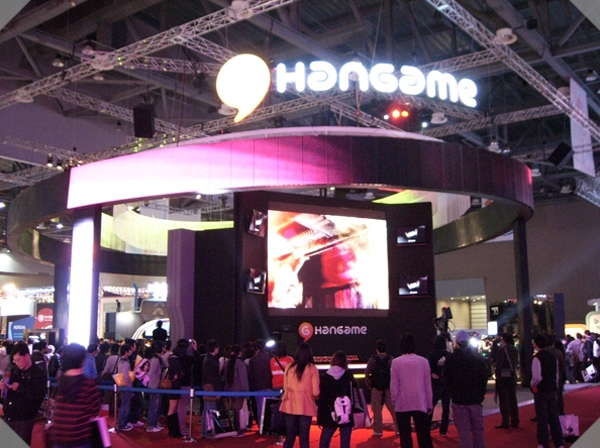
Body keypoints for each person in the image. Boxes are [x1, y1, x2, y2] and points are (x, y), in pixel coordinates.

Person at [47, 343, 101, 448]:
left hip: (59, 434)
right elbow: (95, 411)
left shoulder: (61, 380)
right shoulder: (88, 384)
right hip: (79, 436)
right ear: (82, 360)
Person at [444, 330, 488, 448]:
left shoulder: (451, 359)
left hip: (459, 400)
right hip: (475, 399)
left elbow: (447, 379)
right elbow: (484, 378)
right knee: (478, 431)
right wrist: (481, 395)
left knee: (464, 433)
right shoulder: (478, 358)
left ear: (456, 342)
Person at [0, 341, 47, 445]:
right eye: (15, 360)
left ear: (27, 356)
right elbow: (5, 394)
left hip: (24, 420)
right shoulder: (14, 371)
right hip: (9, 417)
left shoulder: (38, 374)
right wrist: (3, 387)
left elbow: (37, 395)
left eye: (19, 360)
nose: (17, 363)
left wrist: (19, 388)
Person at [390, 334, 433, 448]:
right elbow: (427, 386)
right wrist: (429, 404)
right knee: (424, 436)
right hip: (420, 402)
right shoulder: (423, 361)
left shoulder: (396, 362)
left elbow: (394, 385)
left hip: (402, 403)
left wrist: (394, 400)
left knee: (405, 437)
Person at [279, 342, 320, 448]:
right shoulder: (312, 368)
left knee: (289, 437)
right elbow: (316, 392)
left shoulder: (289, 367)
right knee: (304, 438)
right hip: (306, 405)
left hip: (289, 404)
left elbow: (285, 387)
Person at [531, 334, 564, 448]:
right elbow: (557, 375)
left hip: (541, 390)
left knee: (542, 418)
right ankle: (559, 442)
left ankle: (543, 442)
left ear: (536, 344)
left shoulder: (537, 358)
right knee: (554, 417)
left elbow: (537, 377)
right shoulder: (553, 357)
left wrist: (532, 384)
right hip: (552, 389)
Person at [317, 350, 355, 448]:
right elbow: (354, 393)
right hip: (346, 412)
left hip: (329, 413)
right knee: (345, 443)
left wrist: (320, 418)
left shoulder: (325, 377)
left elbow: (321, 399)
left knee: (324, 441)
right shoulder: (348, 376)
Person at [365, 339, 397, 436]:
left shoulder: (372, 359)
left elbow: (367, 372)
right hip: (388, 386)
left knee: (377, 409)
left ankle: (378, 430)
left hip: (376, 386)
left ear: (377, 349)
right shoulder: (391, 359)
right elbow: (394, 373)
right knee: (392, 408)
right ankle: (399, 428)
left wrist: (369, 385)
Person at [494, 332, 519, 429]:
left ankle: (505, 421)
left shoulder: (502, 350)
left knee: (504, 399)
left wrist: (497, 373)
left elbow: (499, 364)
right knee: (512, 398)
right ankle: (515, 420)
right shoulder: (514, 349)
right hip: (512, 375)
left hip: (503, 376)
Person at [427, 334, 451, 436]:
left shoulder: (431, 355)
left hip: (434, 384)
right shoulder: (449, 355)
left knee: (431, 406)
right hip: (446, 383)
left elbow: (427, 369)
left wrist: (433, 374)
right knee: (446, 408)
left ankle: (427, 427)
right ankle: (443, 430)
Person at [223, 344, 250, 436]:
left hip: (230, 391)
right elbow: (243, 380)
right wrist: (246, 393)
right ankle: (238, 430)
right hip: (239, 391)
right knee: (239, 411)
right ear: (240, 353)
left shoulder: (227, 363)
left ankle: (232, 428)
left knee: (232, 410)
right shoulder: (240, 364)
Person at [248, 338, 273, 429]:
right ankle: (270, 425)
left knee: (260, 407)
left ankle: (261, 426)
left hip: (258, 387)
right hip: (270, 385)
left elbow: (251, 375)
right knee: (270, 407)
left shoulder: (253, 359)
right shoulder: (270, 357)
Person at [201, 339, 222, 439]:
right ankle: (207, 431)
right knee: (210, 409)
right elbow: (214, 378)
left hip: (208, 387)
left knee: (207, 409)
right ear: (215, 348)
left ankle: (206, 431)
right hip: (211, 388)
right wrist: (218, 391)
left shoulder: (207, 359)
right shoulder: (211, 361)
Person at [146, 341, 166, 432]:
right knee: (153, 405)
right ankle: (151, 425)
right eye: (163, 347)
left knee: (156, 405)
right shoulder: (155, 359)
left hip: (157, 385)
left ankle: (154, 423)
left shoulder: (158, 358)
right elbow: (151, 373)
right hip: (154, 385)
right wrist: (158, 381)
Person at [116, 343, 135, 432]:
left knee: (124, 404)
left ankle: (122, 423)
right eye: (129, 350)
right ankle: (122, 424)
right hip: (126, 386)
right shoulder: (125, 362)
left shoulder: (120, 361)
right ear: (126, 352)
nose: (131, 352)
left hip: (122, 385)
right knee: (125, 405)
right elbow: (126, 376)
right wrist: (130, 387)